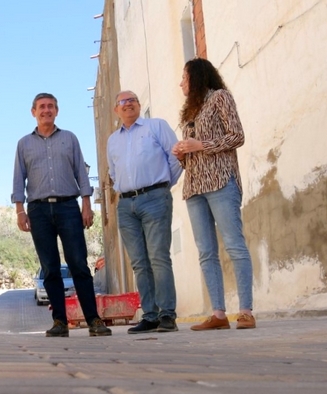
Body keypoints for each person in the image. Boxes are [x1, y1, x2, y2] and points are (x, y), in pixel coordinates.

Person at [12, 93, 111, 338]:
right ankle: (59, 322)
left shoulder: (70, 138)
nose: (46, 110)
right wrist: (20, 210)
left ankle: (93, 320)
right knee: (50, 268)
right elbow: (18, 178)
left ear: (57, 111)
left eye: (51, 107)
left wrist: (86, 205)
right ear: (33, 111)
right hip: (38, 210)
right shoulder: (24, 143)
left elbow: (81, 172)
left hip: (69, 207)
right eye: (42, 107)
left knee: (78, 263)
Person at [171, 57, 256, 331]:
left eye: (184, 77)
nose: (181, 82)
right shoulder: (189, 112)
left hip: (221, 181)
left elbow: (237, 136)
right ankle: (218, 313)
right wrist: (182, 153)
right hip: (194, 187)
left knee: (234, 245)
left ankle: (245, 311)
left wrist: (201, 144)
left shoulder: (220, 97)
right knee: (206, 252)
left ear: (196, 77)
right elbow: (192, 153)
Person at [106, 90, 183, 334]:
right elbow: (113, 172)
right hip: (126, 205)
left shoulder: (156, 126)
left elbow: (177, 158)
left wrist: (161, 186)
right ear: (116, 110)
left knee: (158, 257)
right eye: (122, 102)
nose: (128, 104)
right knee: (139, 262)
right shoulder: (112, 140)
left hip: (155, 198)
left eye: (132, 100)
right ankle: (150, 316)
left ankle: (167, 314)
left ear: (139, 105)